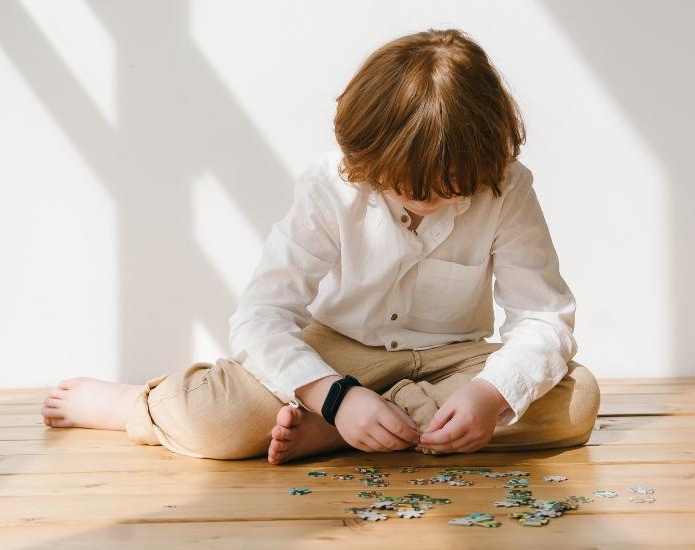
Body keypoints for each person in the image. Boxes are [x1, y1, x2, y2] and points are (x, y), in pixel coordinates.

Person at [40, 28, 600, 464]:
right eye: (408, 185)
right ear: (369, 153)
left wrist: (488, 396)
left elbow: (545, 320)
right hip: (338, 351)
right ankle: (133, 404)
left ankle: (347, 432)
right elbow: (261, 318)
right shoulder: (328, 186)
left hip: (451, 359)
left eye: (451, 187)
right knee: (217, 421)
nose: (428, 199)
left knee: (575, 403)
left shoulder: (506, 185)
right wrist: (334, 395)